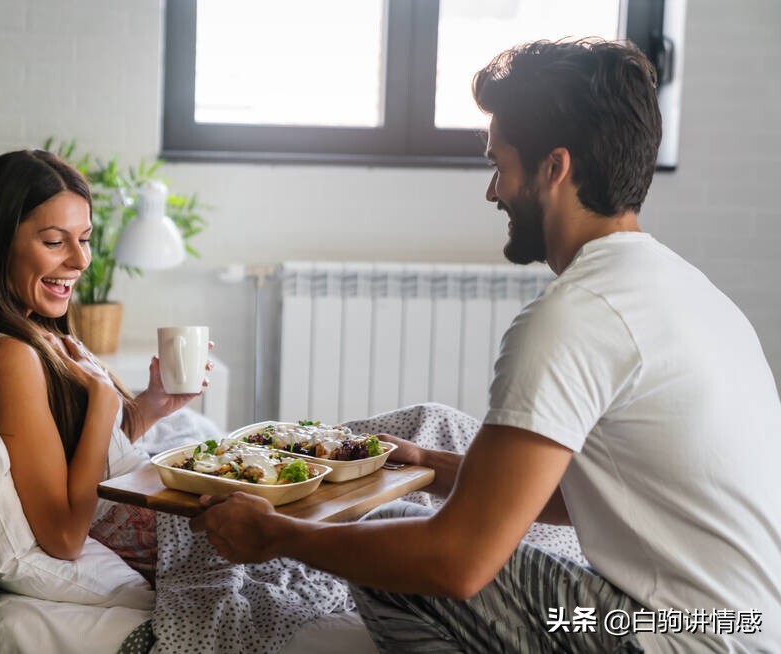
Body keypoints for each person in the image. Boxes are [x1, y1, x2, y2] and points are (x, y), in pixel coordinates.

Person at [191, 39, 781, 653]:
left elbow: (456, 563)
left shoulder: (577, 315)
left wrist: (277, 536)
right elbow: (621, 497)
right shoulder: (692, 292)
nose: (492, 191)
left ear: (554, 168)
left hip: (672, 637)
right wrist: (437, 468)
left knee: (399, 550)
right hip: (739, 628)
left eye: (500, 164)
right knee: (414, 525)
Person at [0, 149, 211, 583]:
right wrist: (103, 398)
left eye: (83, 238)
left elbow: (75, 458)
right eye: (54, 241)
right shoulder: (10, 356)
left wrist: (152, 407)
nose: (81, 260)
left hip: (150, 497)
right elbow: (65, 537)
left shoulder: (19, 326)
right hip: (169, 540)